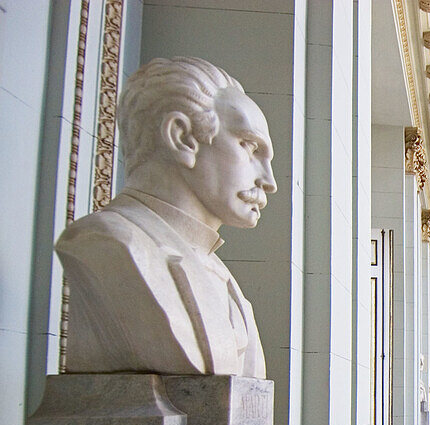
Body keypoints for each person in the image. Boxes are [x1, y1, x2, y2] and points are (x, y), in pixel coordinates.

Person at [55, 57, 276, 377]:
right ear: (182, 137)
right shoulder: (108, 243)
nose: (269, 181)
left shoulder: (227, 284)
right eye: (248, 146)